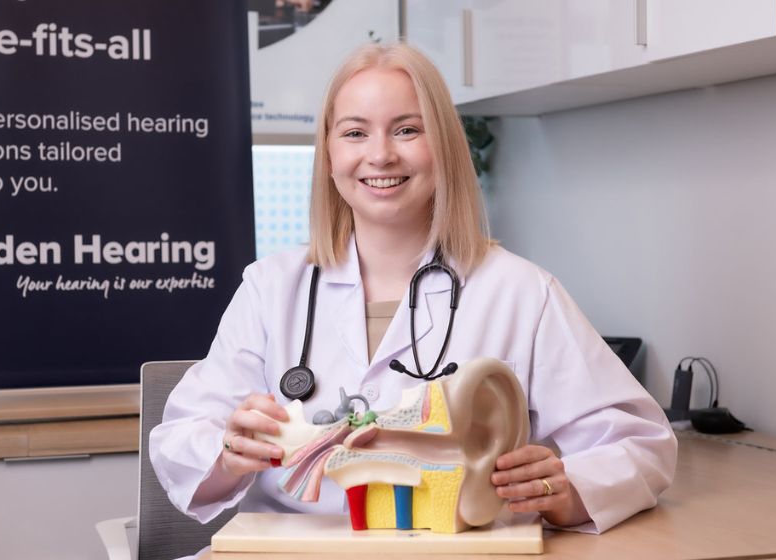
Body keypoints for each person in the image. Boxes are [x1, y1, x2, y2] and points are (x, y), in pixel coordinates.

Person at [149, 42, 676, 547]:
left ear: (443, 146)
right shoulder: (271, 289)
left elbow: (639, 444)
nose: (380, 155)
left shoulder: (520, 291)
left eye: (406, 130)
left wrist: (565, 491)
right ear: (328, 155)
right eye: (355, 132)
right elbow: (180, 443)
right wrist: (229, 451)